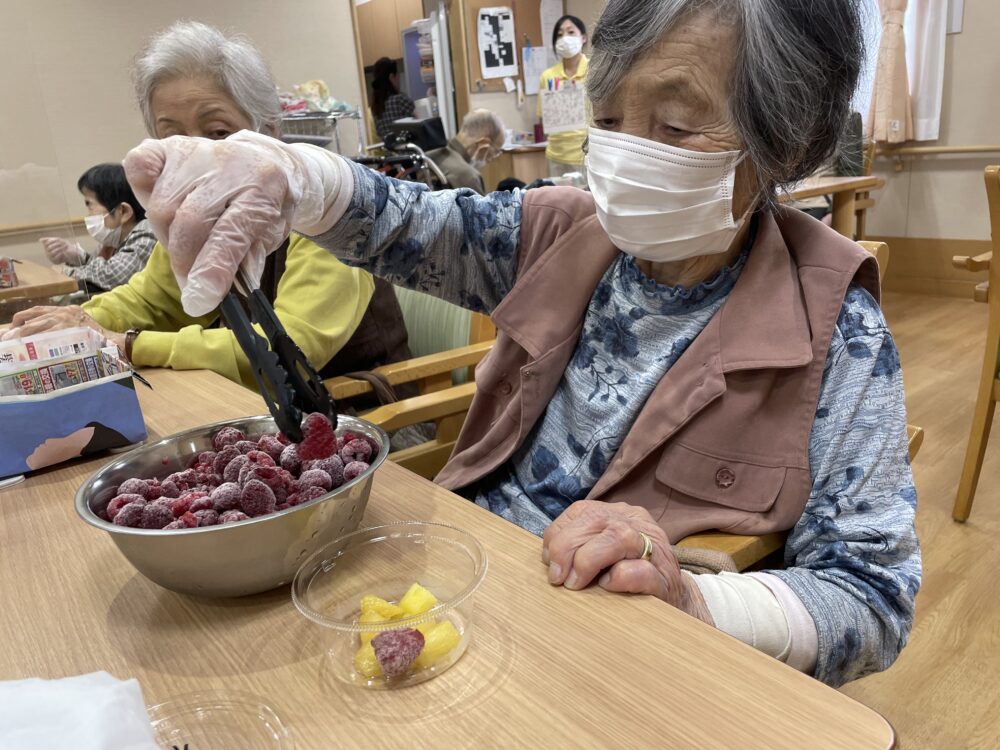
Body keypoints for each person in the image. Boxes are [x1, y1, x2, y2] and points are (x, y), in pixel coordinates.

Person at [120, 0, 920, 688]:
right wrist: (296, 177)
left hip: (610, 661)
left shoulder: (836, 333)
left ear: (783, 142)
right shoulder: (562, 231)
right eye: (608, 121)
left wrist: (700, 600)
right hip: (462, 593)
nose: (626, 152)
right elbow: (410, 223)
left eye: (673, 126)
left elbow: (874, 597)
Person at [3, 21, 411, 393]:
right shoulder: (194, 213)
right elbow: (153, 299)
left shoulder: (323, 208)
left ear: (268, 132)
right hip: (248, 408)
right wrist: (67, 325)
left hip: (360, 415)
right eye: (173, 138)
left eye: (218, 132)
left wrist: (126, 343)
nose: (195, 153)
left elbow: (291, 348)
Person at [40, 164, 156, 293]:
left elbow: (114, 275)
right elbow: (101, 269)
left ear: (123, 212)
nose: (88, 214)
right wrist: (78, 257)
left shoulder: (147, 235)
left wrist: (66, 272)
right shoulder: (115, 238)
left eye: (90, 205)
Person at [537, 15, 589, 178]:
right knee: (556, 202)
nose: (565, 38)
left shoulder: (594, 71)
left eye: (571, 32)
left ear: (584, 38)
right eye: (559, 35)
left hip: (587, 155)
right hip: (556, 156)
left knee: (586, 202)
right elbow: (543, 118)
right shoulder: (548, 76)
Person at [426, 109, 505, 194]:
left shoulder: (429, 154)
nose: (491, 159)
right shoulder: (467, 176)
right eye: (496, 151)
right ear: (484, 143)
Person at [371, 57, 415, 141]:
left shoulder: (376, 107)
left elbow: (379, 133)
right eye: (397, 76)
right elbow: (419, 123)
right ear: (392, 77)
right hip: (410, 150)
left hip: (391, 153)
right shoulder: (400, 99)